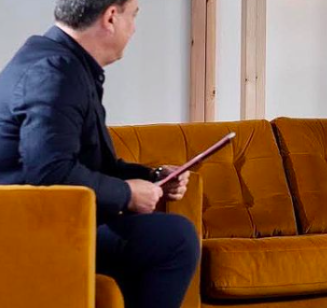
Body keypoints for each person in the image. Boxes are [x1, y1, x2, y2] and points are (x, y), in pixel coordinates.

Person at [0, 1, 200, 307]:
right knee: (175, 238)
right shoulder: (55, 73)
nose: (133, 29)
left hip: (55, 220)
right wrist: (127, 194)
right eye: (133, 16)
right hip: (32, 231)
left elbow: (91, 165)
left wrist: (153, 178)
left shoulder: (61, 62)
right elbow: (51, 172)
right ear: (110, 17)